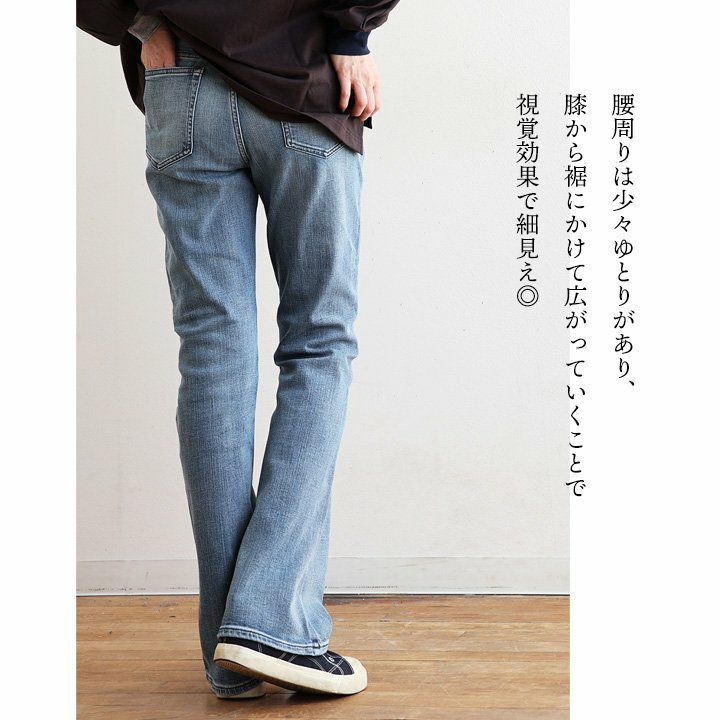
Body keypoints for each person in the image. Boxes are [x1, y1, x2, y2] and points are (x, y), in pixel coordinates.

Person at [77, 0, 399, 700]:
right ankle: (267, 626)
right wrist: (350, 32)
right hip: (302, 76)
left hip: (182, 81)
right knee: (319, 342)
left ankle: (230, 650)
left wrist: (139, 21)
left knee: (212, 349)